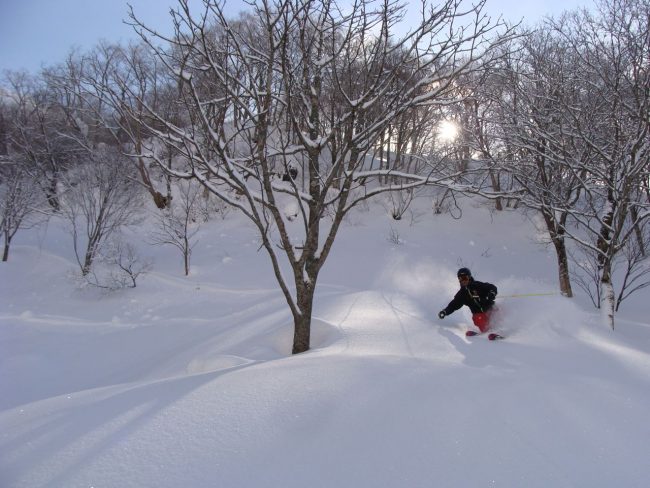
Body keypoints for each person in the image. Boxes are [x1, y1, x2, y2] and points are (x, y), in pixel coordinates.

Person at [438, 268, 497, 335]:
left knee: (500, 313)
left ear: (469, 277)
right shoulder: (461, 294)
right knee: (479, 319)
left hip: (491, 308)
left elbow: (492, 287)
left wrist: (492, 293)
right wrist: (445, 311)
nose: (463, 281)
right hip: (478, 314)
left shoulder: (477, 285)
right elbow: (453, 305)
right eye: (460, 279)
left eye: (465, 278)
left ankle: (501, 331)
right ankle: (489, 333)